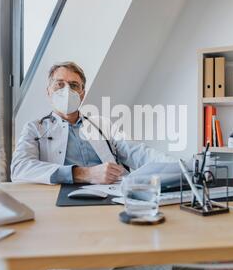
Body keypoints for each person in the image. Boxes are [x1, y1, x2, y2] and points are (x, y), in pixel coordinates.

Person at [11, 61, 174, 185]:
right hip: (62, 199)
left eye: (74, 85)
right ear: (48, 91)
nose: (66, 90)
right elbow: (20, 168)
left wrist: (180, 167)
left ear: (82, 94)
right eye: (59, 84)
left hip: (112, 193)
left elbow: (138, 152)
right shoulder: (35, 128)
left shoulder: (102, 125)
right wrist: (84, 173)